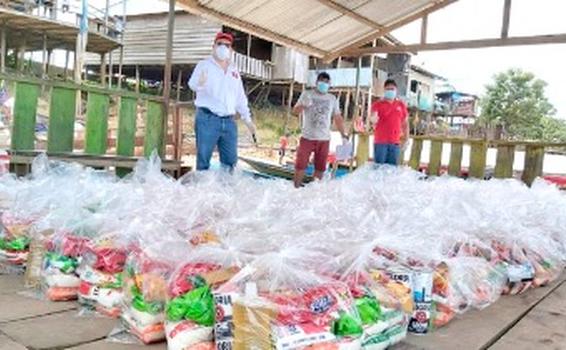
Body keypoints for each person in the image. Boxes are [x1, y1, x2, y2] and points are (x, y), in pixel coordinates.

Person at [188, 32, 257, 171]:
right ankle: (202, 190)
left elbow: (240, 98)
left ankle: (226, 190)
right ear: (213, 46)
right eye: (220, 44)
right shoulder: (204, 65)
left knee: (230, 162)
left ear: (231, 50)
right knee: (203, 160)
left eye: (227, 45)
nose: (223, 48)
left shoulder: (234, 71)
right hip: (208, 119)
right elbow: (192, 84)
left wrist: (248, 121)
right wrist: (200, 83)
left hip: (229, 121)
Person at [292, 72, 348, 188]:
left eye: (327, 82)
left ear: (329, 84)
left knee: (320, 167)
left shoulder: (332, 98)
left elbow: (337, 117)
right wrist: (303, 105)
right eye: (322, 82)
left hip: (324, 139)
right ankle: (296, 188)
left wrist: (343, 134)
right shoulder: (307, 94)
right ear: (317, 82)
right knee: (300, 165)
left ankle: (314, 190)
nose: (324, 84)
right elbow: (295, 112)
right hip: (307, 137)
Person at [370, 79, 409, 166]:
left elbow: (405, 124)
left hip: (395, 142)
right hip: (380, 142)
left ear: (396, 90)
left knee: (392, 170)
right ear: (384, 90)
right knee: (379, 169)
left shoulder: (401, 105)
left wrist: (406, 138)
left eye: (392, 89)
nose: (390, 91)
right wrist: (373, 119)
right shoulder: (377, 104)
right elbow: (372, 117)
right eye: (388, 89)